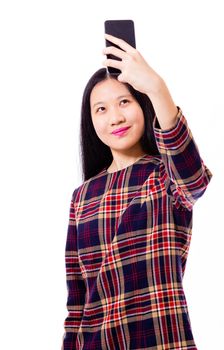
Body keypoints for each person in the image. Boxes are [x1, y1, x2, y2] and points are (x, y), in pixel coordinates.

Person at [62, 33, 212, 349]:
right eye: (100, 109)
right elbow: (77, 300)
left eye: (125, 102)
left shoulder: (165, 175)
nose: (114, 117)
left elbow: (195, 180)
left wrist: (156, 88)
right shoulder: (82, 197)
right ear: (90, 121)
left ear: (142, 104)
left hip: (161, 339)